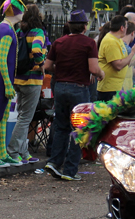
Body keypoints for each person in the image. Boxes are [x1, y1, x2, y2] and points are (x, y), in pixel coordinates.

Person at [43, 10, 103, 181]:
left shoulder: (59, 42)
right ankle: (70, 170)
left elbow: (47, 66)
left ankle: (54, 162)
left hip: (60, 87)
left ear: (69, 25)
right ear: (85, 26)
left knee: (61, 126)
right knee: (80, 129)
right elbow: (93, 68)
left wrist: (61, 70)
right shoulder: (89, 43)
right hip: (79, 88)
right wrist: (101, 73)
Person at [0, 0, 25, 168]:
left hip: (3, 77)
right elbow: (2, 60)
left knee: (3, 117)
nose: (24, 13)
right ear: (15, 11)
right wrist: (8, 84)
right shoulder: (7, 31)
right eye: (21, 9)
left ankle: (1, 153)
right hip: (3, 79)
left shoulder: (5, 29)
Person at [7, 4, 47, 164]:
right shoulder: (38, 33)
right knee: (25, 118)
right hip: (32, 80)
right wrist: (41, 64)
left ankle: (24, 153)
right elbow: (37, 50)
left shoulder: (18, 32)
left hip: (18, 79)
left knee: (21, 115)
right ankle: (13, 152)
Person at [97, 15, 135, 101]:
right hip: (109, 89)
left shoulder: (118, 40)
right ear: (122, 28)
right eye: (126, 26)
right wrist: (133, 52)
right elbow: (118, 65)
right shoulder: (110, 41)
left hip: (119, 87)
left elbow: (127, 61)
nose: (127, 29)